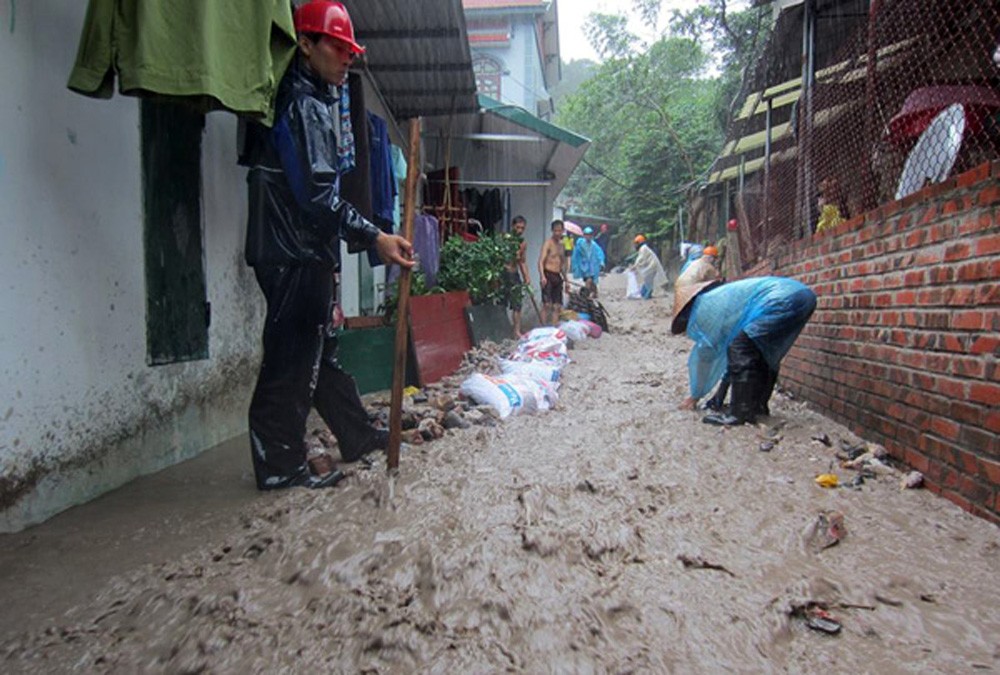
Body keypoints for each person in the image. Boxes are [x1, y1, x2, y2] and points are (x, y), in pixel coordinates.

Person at [243, 0, 414, 490]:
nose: (346, 59)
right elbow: (319, 197)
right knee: (291, 363)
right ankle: (280, 470)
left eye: (349, 50)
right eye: (337, 48)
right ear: (305, 45)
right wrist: (375, 236)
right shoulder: (305, 104)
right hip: (292, 252)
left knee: (321, 353)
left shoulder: (309, 99)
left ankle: (356, 434)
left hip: (297, 250)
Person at [672, 262, 816, 426]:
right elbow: (733, 360)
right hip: (801, 295)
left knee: (741, 348)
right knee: (760, 353)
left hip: (781, 299)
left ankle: (740, 414)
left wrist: (695, 396)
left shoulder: (704, 311)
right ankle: (757, 406)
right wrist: (718, 398)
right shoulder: (717, 300)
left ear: (686, 315)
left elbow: (711, 355)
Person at [504, 215, 531, 336]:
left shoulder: (523, 243)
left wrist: (527, 277)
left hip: (514, 274)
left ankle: (516, 331)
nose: (520, 230)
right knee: (501, 302)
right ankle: (501, 328)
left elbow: (522, 261)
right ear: (512, 226)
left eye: (522, 228)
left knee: (517, 304)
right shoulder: (505, 239)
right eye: (518, 227)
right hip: (503, 274)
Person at [538, 220, 566, 325]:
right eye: (555, 231)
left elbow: (561, 265)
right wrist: (542, 276)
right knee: (546, 304)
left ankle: (554, 329)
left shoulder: (562, 246)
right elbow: (540, 261)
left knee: (557, 306)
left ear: (563, 231)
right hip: (548, 275)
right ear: (552, 231)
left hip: (557, 276)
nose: (557, 233)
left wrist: (566, 281)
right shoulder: (548, 244)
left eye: (559, 231)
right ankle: (542, 328)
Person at [628, 234, 667, 299]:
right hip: (651, 265)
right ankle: (646, 293)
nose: (635, 245)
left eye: (636, 243)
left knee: (648, 279)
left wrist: (634, 266)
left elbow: (641, 259)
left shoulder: (643, 248)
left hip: (652, 266)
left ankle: (647, 294)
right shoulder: (644, 248)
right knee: (648, 279)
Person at [571, 226, 605, 297]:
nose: (588, 236)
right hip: (584, 267)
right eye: (586, 234)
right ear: (584, 235)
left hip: (593, 267)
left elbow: (599, 253)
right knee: (589, 281)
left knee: (590, 281)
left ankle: (586, 295)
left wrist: (601, 262)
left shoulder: (594, 245)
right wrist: (575, 265)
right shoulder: (580, 244)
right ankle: (592, 293)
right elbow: (575, 255)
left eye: (590, 235)